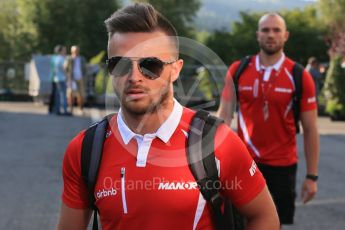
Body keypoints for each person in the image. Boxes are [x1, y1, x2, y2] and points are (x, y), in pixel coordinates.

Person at [57, 3, 279, 230]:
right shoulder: (86, 149)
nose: (134, 77)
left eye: (150, 65)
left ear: (176, 69)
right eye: (120, 64)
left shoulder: (217, 142)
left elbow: (265, 217)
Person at [217, 13, 320, 225]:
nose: (270, 35)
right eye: (265, 30)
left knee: (272, 225)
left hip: (282, 168)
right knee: (236, 224)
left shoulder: (300, 76)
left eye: (276, 30)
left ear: (286, 35)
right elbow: (223, 117)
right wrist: (215, 165)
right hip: (243, 163)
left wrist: (312, 177)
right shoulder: (238, 69)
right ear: (257, 35)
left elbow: (311, 129)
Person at [65, 45, 87, 115]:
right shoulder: (69, 58)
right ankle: (70, 109)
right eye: (74, 51)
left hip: (80, 78)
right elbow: (65, 68)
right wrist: (68, 76)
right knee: (70, 94)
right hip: (72, 79)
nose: (76, 52)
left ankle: (80, 109)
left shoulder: (82, 58)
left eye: (77, 50)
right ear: (72, 51)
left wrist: (84, 75)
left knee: (81, 95)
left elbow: (85, 68)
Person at [50, 45, 69, 115]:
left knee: (57, 95)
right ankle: (65, 111)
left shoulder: (56, 59)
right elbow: (64, 68)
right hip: (62, 79)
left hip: (56, 78)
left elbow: (54, 69)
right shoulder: (62, 59)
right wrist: (67, 76)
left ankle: (57, 110)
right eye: (64, 50)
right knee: (63, 95)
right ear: (61, 51)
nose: (65, 51)